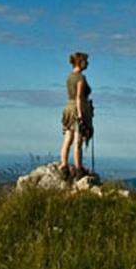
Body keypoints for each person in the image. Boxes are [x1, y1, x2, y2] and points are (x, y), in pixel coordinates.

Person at [59, 51, 93, 180]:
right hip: (78, 109)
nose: (87, 63)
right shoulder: (80, 77)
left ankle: (64, 166)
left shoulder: (69, 77)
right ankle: (79, 169)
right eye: (85, 61)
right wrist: (80, 115)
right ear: (80, 62)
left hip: (68, 107)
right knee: (78, 141)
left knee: (68, 139)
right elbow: (79, 97)